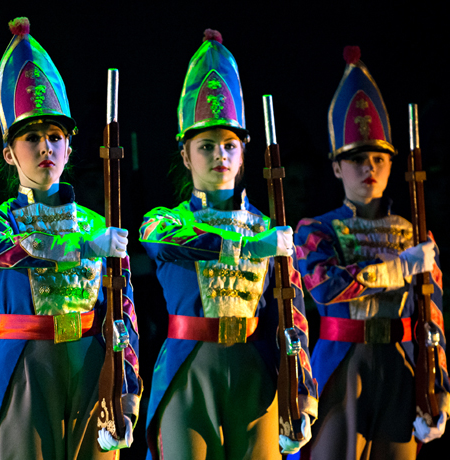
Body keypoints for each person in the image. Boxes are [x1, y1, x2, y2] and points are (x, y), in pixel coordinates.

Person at [0, 17, 141, 460]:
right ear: (9, 153)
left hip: (91, 365)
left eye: (55, 137)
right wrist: (80, 248)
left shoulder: (97, 225)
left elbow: (123, 313)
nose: (45, 147)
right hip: (27, 364)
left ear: (68, 148)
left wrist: (126, 395)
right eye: (32, 137)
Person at [139, 29, 318, 460]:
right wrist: (249, 248)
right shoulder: (166, 222)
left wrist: (303, 397)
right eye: (207, 146)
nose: (220, 155)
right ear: (186, 155)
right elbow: (169, 244)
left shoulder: (268, 229)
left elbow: (291, 316)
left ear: (242, 154)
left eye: (230, 146)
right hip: (188, 371)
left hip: (255, 374)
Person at [294, 46, 450, 459]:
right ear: (336, 167)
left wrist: (440, 390)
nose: (369, 168)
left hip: (401, 367)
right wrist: (400, 267)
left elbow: (432, 319)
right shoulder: (315, 231)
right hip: (341, 364)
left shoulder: (416, 236)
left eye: (379, 158)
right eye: (357, 159)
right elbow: (326, 288)